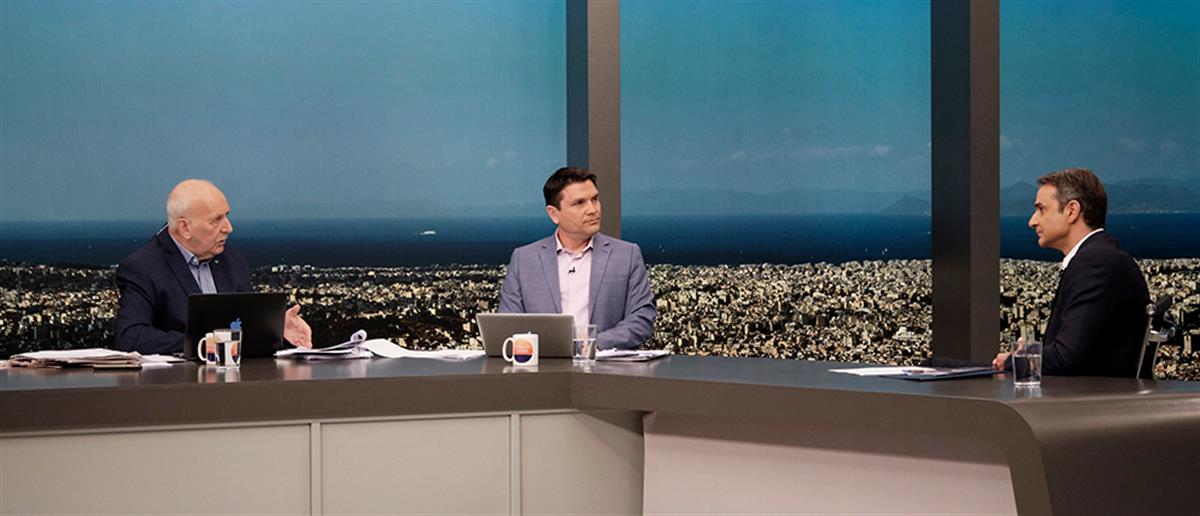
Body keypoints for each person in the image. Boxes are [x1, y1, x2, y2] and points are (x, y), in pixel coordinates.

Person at [115, 179, 312, 354]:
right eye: (217, 220)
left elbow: (242, 324)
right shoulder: (142, 267)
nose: (229, 228)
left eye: (226, 216)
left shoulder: (232, 260)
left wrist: (276, 328)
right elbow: (130, 337)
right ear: (185, 228)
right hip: (178, 382)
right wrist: (204, 344)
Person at [992, 168, 1150, 376]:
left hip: (1096, 395)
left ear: (1072, 211)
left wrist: (1015, 360)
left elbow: (1068, 358)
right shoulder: (1100, 258)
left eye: (1041, 209)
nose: (1032, 221)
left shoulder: (1095, 264)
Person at [498, 167, 656, 350]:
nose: (593, 210)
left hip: (604, 364)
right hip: (543, 365)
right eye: (580, 203)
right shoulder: (524, 259)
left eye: (595, 199)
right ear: (554, 213)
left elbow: (642, 318)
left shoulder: (627, 255)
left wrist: (595, 343)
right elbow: (508, 324)